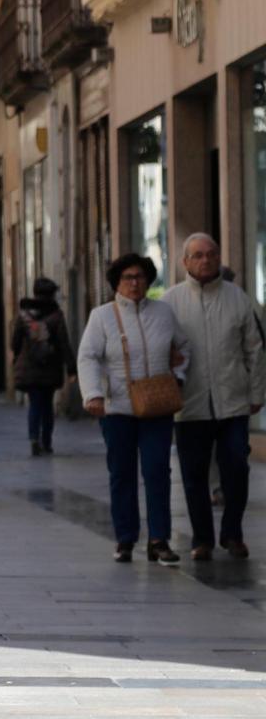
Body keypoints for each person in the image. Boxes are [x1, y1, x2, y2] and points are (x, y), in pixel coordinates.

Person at [77, 253, 190, 565]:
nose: (135, 283)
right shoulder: (102, 317)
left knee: (157, 471)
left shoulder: (163, 313)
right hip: (117, 408)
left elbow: (183, 347)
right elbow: (87, 357)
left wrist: (178, 376)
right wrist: (94, 394)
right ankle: (125, 538)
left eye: (140, 277)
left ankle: (159, 540)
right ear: (117, 282)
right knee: (122, 473)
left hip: (157, 405)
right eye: (128, 277)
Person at [162, 233, 264, 561]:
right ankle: (202, 539)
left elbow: (256, 350)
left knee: (236, 465)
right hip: (189, 405)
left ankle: (232, 533)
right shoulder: (170, 303)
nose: (205, 260)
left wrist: (257, 393)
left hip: (233, 401)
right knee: (193, 475)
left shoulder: (238, 298)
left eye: (211, 254)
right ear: (185, 262)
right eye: (198, 255)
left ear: (218, 258)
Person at [12, 277, 77, 455]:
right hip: (50, 366)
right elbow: (64, 343)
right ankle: (46, 441)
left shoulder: (24, 314)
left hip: (28, 366)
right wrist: (71, 368)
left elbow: (15, 340)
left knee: (34, 404)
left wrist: (17, 357)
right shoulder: (56, 315)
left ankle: (34, 438)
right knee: (47, 405)